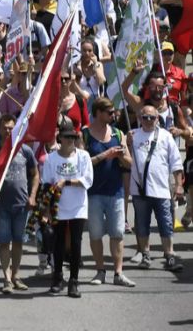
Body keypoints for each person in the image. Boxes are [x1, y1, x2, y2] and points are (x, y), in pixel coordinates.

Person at [0, 113, 38, 293]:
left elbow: (35, 174)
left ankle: (16, 276)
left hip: (22, 205)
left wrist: (33, 196)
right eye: (4, 128)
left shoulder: (25, 150)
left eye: (11, 128)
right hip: (2, 206)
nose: (8, 131)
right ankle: (6, 279)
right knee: (4, 242)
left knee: (19, 242)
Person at [82, 97, 135, 287]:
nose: (114, 115)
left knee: (117, 233)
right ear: (98, 113)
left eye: (113, 112)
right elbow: (82, 163)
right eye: (109, 112)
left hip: (116, 192)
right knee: (95, 234)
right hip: (93, 193)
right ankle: (100, 271)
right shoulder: (85, 134)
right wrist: (106, 155)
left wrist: (121, 156)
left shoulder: (118, 134)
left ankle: (118, 273)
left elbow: (130, 163)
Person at [128, 103, 184, 272]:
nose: (149, 120)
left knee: (166, 223)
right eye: (145, 117)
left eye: (153, 117)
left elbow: (176, 162)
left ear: (158, 118)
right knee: (142, 224)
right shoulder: (132, 136)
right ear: (140, 118)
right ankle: (145, 254)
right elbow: (124, 159)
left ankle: (169, 255)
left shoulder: (166, 136)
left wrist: (179, 185)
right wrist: (128, 144)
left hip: (161, 189)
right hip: (140, 189)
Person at [41, 118, 94, 298]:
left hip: (78, 206)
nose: (70, 140)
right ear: (60, 138)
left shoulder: (83, 156)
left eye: (73, 136)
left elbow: (87, 180)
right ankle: (57, 278)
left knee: (76, 242)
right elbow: (46, 183)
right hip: (58, 206)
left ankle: (74, 281)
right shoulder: (51, 158)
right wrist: (46, 209)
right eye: (67, 136)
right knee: (58, 242)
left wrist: (67, 182)